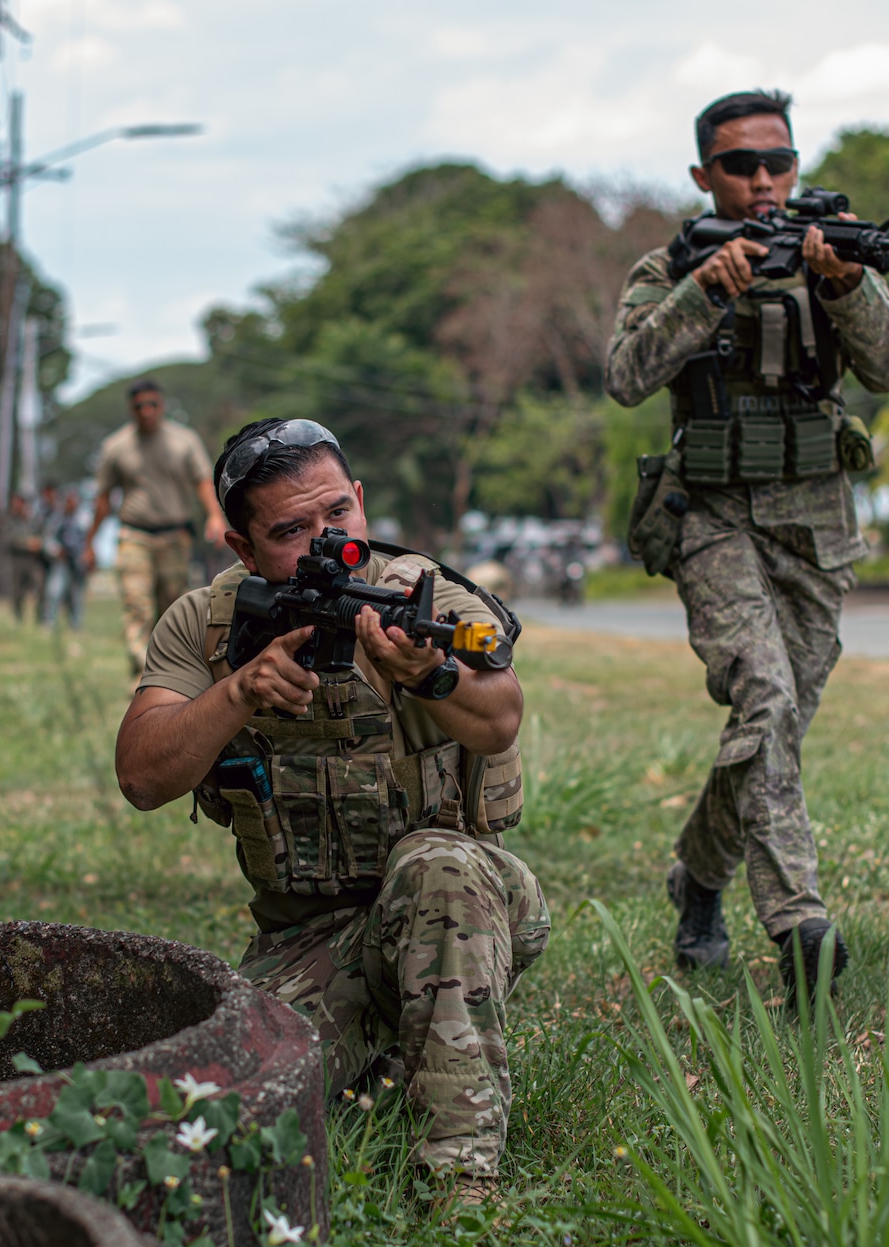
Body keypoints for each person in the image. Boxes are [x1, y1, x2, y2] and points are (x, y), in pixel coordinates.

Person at [114, 418, 546, 1194]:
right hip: (308, 939)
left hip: (460, 900)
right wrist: (238, 691)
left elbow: (501, 716)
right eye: (290, 531)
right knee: (209, 1105)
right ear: (243, 549)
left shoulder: (419, 593)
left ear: (359, 500)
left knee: (437, 864)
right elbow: (142, 774)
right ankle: (386, 1051)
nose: (325, 543)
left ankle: (460, 1176)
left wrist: (429, 675)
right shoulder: (207, 624)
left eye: (337, 517)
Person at [605, 89, 889, 1006]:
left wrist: (847, 286)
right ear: (705, 176)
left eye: (778, 161)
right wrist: (706, 292)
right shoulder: (671, 266)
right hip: (710, 516)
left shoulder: (836, 251)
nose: (765, 181)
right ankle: (799, 926)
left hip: (814, 521)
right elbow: (626, 377)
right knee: (765, 696)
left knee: (774, 725)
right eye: (741, 165)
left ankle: (698, 879)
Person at [89, 379, 228, 677]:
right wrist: (90, 541)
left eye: (152, 404)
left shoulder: (184, 440)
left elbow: (202, 481)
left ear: (162, 406)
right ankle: (141, 678)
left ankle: (170, 678)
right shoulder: (116, 446)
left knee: (173, 610)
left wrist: (215, 517)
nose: (147, 411)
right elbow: (103, 499)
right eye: (140, 406)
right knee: (137, 608)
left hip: (175, 536)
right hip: (134, 535)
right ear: (131, 409)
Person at [41, 489, 90, 630]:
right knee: (54, 592)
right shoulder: (57, 519)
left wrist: (86, 556)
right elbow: (48, 540)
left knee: (76, 597)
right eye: (68, 501)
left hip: (78, 563)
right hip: (61, 562)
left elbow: (88, 541)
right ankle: (49, 623)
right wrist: (57, 550)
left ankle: (75, 626)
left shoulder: (83, 519)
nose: (71, 504)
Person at [3, 491, 48, 623]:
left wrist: (39, 543)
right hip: (18, 561)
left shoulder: (34, 521)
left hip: (34, 561)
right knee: (18, 591)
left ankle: (41, 620)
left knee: (40, 589)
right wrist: (28, 544)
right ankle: (18, 619)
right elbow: (9, 539)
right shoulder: (11, 521)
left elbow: (43, 536)